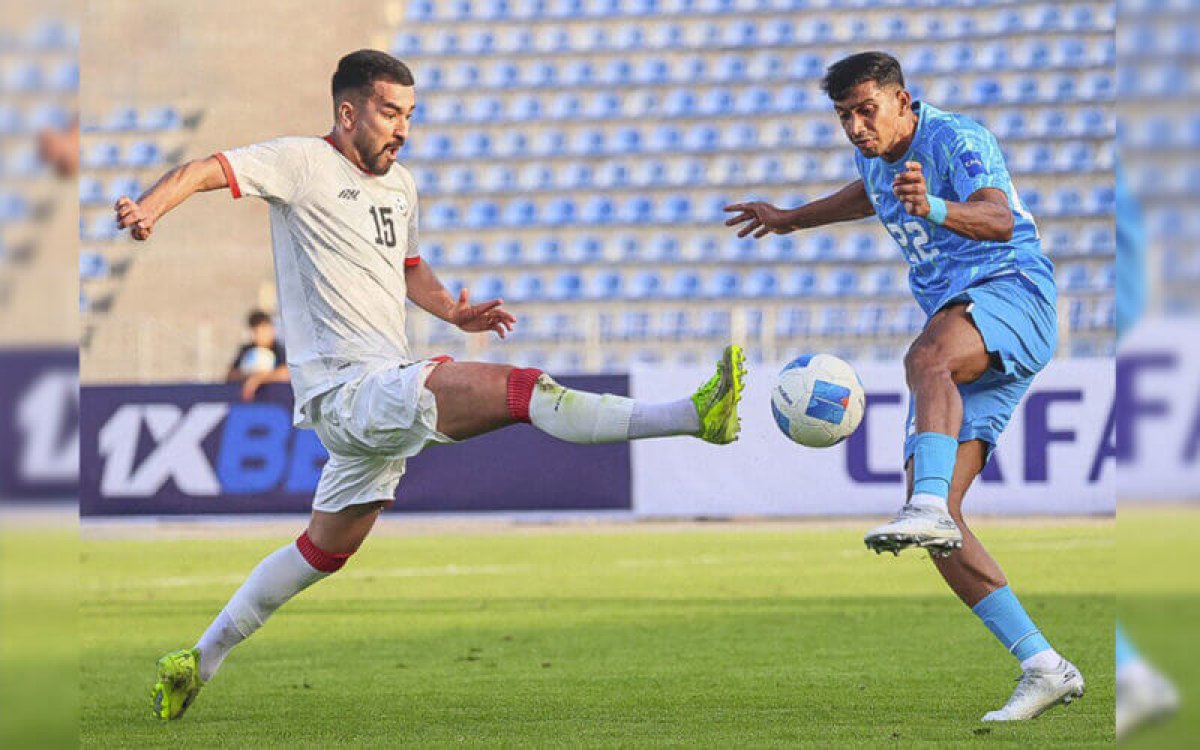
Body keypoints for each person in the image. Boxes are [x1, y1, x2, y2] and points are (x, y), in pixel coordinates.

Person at [116, 49, 746, 721]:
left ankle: (197, 660)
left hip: (374, 393)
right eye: (390, 113)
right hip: (350, 390)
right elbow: (206, 169)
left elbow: (410, 267)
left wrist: (453, 312)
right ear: (348, 113)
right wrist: (151, 207)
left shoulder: (401, 186)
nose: (403, 129)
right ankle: (692, 416)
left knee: (321, 551)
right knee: (524, 390)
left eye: (410, 115)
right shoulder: (300, 162)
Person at [724, 51, 1080, 721]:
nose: (856, 127)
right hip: (967, 318)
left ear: (902, 101)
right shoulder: (876, 158)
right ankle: (1044, 666)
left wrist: (935, 206)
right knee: (940, 526)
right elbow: (870, 193)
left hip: (1012, 290)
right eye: (844, 117)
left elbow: (999, 219)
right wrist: (791, 218)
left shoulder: (956, 138)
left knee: (926, 360)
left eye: (866, 111)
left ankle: (928, 505)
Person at [227, 309, 290, 401]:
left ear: (271, 329)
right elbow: (231, 374)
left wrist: (258, 379)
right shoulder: (247, 350)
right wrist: (248, 376)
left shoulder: (279, 349)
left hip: (276, 401)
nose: (260, 335)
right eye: (256, 331)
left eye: (263, 329)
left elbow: (288, 373)